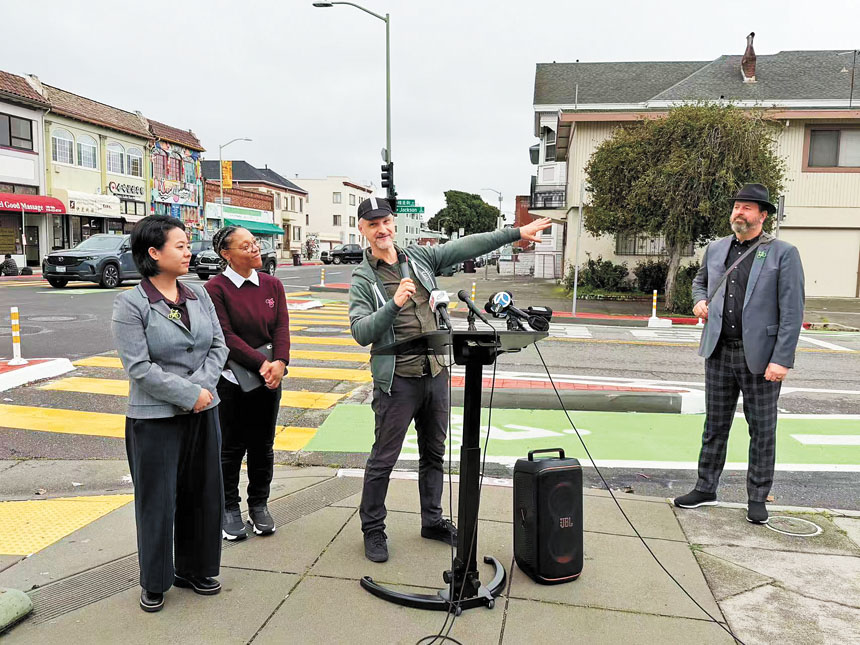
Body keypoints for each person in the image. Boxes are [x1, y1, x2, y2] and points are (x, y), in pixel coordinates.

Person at [349, 196, 551, 562]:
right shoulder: (364, 278)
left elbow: (466, 245)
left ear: (394, 224)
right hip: (398, 381)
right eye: (373, 224)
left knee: (435, 453)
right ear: (363, 229)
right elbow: (361, 332)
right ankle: (373, 529)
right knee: (384, 458)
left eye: (386, 222)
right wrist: (392, 304)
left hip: (435, 373)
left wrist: (515, 232)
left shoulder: (419, 259)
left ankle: (432, 520)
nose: (382, 230)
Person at [111, 216, 228, 613]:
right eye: (178, 245)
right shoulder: (130, 303)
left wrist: (202, 390)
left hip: (203, 408)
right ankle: (156, 579)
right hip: (154, 417)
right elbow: (138, 367)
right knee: (156, 500)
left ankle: (195, 568)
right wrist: (188, 393)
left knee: (203, 492)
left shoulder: (198, 295)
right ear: (153, 253)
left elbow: (218, 346)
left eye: (186, 244)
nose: (187, 250)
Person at [674, 183, 805, 525]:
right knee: (715, 425)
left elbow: (792, 311)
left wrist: (782, 360)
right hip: (718, 350)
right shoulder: (716, 249)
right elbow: (700, 282)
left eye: (748, 208)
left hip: (760, 357)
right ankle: (705, 487)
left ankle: (758, 497)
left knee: (761, 429)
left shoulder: (783, 253)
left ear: (763, 215)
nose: (739, 212)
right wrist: (698, 300)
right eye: (737, 207)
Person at [205, 226, 290, 542]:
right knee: (230, 448)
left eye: (255, 243)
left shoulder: (272, 284)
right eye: (246, 246)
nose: (255, 249)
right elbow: (225, 336)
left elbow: (281, 326)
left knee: (262, 446)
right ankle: (229, 508)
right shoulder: (216, 288)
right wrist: (262, 363)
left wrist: (280, 363)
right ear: (226, 254)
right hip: (232, 382)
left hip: (269, 380)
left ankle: (259, 505)